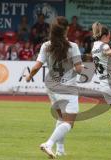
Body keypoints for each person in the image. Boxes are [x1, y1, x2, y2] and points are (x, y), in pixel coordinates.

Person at [26, 16, 83, 158]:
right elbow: (79, 69)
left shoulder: (46, 46)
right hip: (67, 88)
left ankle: (60, 149)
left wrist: (29, 76)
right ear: (67, 29)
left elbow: (37, 66)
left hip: (51, 86)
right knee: (69, 123)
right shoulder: (73, 47)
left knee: (61, 118)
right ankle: (48, 144)